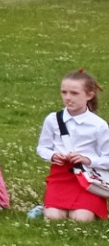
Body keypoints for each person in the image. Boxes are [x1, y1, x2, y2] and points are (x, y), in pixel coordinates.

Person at [36, 70, 109, 223]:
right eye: (64, 92)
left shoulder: (99, 125)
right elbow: (42, 148)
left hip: (87, 178)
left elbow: (107, 158)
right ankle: (45, 208)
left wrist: (87, 159)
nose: (68, 98)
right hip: (60, 175)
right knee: (53, 217)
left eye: (74, 93)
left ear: (89, 95)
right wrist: (53, 156)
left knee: (82, 218)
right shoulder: (53, 119)